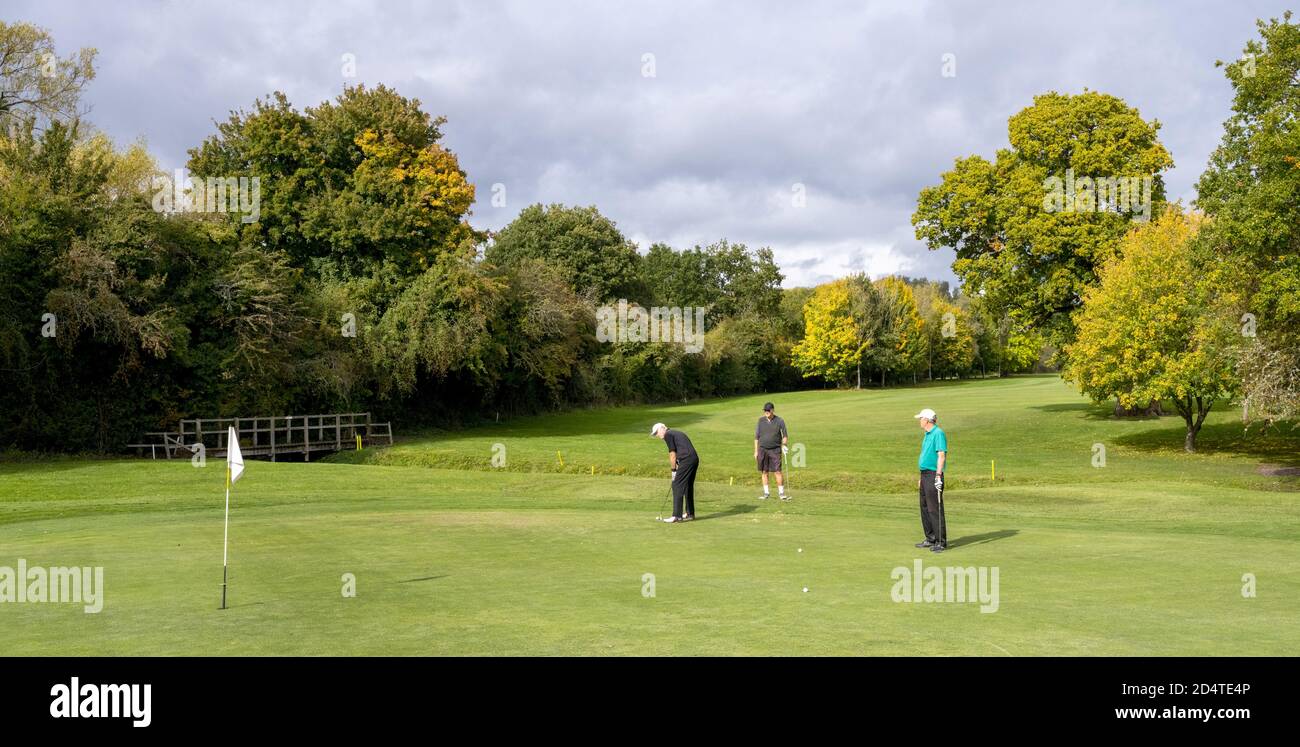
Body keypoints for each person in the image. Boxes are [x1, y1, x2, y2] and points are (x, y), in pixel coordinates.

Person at [913, 408, 948, 553]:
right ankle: (930, 538)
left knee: (934, 508)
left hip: (934, 474)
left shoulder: (938, 433)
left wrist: (938, 476)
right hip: (925, 474)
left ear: (927, 420)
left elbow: (941, 455)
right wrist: (921, 477)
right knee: (925, 507)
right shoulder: (927, 434)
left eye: (921, 418)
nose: (919, 421)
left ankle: (941, 542)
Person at [651, 422, 698, 523]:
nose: (658, 436)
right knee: (687, 486)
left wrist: (673, 471)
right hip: (693, 459)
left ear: (662, 428)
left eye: (657, 433)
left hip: (686, 460)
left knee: (676, 485)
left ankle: (676, 516)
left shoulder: (668, 435)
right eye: (655, 434)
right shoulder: (675, 433)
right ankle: (690, 513)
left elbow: (672, 454)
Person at [754, 402, 790, 500]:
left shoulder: (780, 421)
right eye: (765, 410)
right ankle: (766, 493)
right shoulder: (760, 421)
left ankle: (781, 493)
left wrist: (784, 445)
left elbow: (785, 436)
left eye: (768, 410)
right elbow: (756, 437)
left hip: (775, 450)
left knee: (777, 471)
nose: (766, 412)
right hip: (762, 449)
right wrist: (756, 451)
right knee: (764, 471)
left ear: (772, 410)